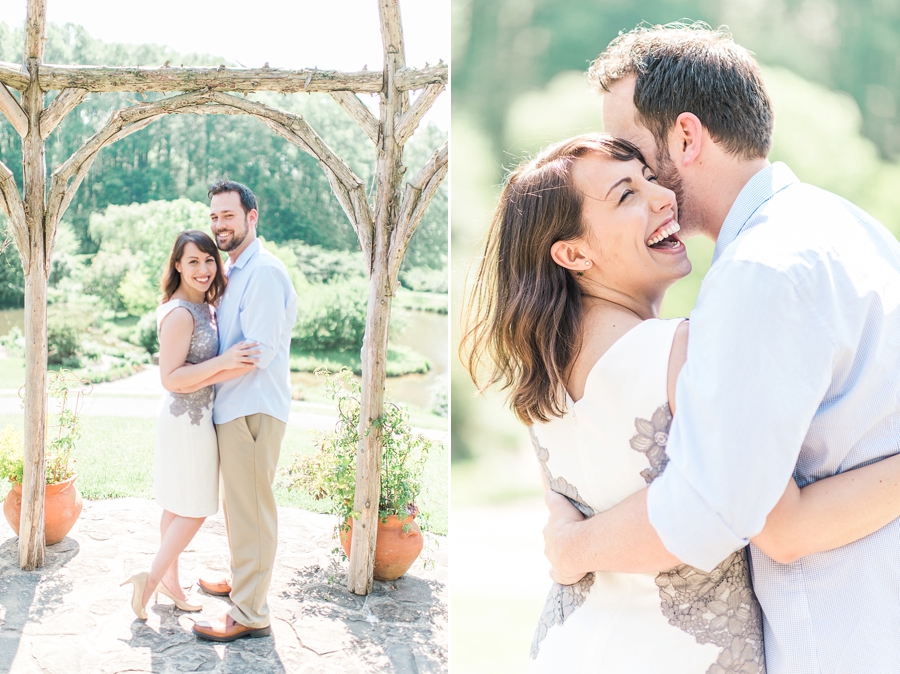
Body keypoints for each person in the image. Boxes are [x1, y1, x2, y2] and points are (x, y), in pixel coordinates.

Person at [535, 24, 900, 673]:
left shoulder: (760, 270)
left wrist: (572, 548)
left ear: (685, 136)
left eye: (635, 152)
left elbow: (728, 514)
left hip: (840, 638)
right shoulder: (850, 228)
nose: (638, 175)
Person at [121, 229, 259, 620]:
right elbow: (170, 378)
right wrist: (227, 361)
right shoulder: (181, 313)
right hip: (186, 421)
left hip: (194, 419)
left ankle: (171, 584)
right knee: (196, 508)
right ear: (177, 266)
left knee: (174, 505)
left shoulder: (205, 307)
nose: (203, 269)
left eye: (209, 259)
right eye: (193, 261)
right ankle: (148, 581)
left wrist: (225, 366)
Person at [191, 180, 298, 642]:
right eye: (214, 216)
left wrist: (196, 376)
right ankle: (242, 580)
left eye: (228, 216)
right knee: (239, 507)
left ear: (252, 217)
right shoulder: (236, 270)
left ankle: (251, 612)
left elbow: (258, 352)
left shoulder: (266, 273)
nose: (219, 225)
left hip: (254, 405)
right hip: (234, 405)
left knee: (253, 510)